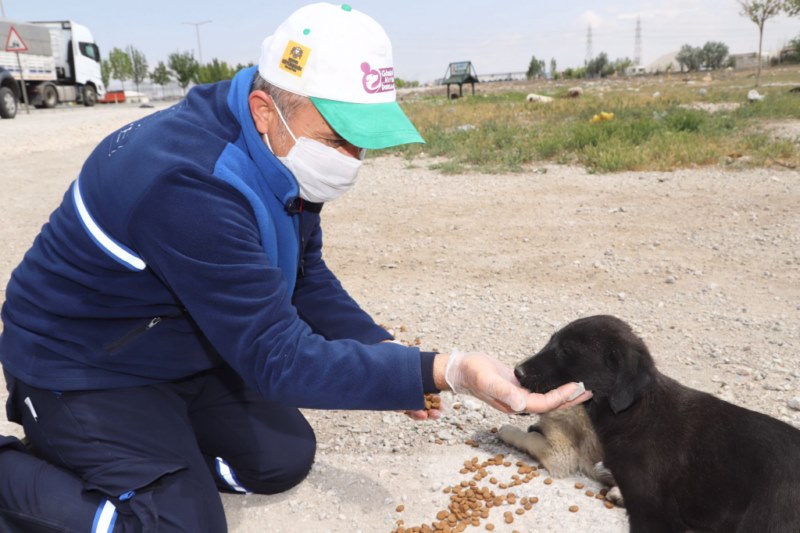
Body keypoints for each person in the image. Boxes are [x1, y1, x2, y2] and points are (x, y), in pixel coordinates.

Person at [0, 3, 590, 532]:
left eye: (362, 142)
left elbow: (306, 278)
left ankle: (150, 457)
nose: (351, 160)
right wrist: (448, 371)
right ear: (265, 109)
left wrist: (387, 355)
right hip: (78, 366)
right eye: (338, 138)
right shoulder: (189, 183)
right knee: (179, 524)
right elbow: (276, 359)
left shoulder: (280, 149)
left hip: (173, 349)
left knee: (281, 458)